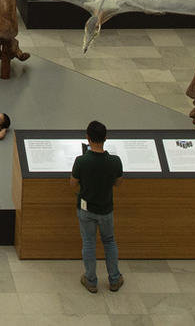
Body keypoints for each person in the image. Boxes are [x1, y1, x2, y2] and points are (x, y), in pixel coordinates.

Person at [71, 119, 124, 294]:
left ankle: (91, 280)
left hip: (86, 209)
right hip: (106, 209)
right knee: (109, 241)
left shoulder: (81, 161)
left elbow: (73, 183)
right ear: (105, 138)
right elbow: (118, 183)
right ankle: (114, 279)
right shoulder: (115, 161)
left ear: (88, 138)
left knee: (88, 242)